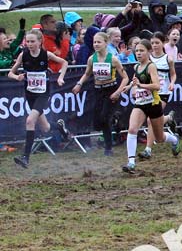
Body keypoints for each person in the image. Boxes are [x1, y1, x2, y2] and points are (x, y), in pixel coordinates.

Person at [8, 29, 68, 168]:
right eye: (27, 41)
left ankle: (25, 157)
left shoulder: (46, 54)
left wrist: (60, 77)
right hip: (30, 93)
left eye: (32, 41)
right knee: (46, 127)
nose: (29, 44)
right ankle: (59, 126)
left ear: (40, 42)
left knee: (30, 121)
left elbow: (64, 63)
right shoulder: (23, 55)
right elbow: (11, 73)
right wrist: (17, 77)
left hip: (43, 93)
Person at [122, 40, 181, 173]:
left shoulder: (151, 66)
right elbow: (136, 79)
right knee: (132, 129)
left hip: (153, 104)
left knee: (159, 138)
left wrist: (141, 86)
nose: (138, 53)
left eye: (141, 51)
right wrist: (130, 86)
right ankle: (131, 162)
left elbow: (157, 86)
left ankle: (174, 139)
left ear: (149, 52)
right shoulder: (137, 67)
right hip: (140, 103)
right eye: (136, 51)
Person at [72, 31, 129, 156]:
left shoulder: (113, 59)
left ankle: (108, 148)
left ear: (106, 43)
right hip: (98, 90)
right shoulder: (92, 59)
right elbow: (87, 74)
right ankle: (115, 118)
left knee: (104, 118)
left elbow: (125, 78)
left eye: (99, 42)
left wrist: (118, 92)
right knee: (97, 123)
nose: (96, 44)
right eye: (94, 42)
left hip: (111, 90)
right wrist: (79, 84)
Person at [139, 32, 178, 159]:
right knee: (158, 133)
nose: (155, 45)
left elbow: (173, 74)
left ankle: (148, 149)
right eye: (153, 43)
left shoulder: (168, 59)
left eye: (157, 43)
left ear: (163, 43)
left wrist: (172, 83)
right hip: (150, 92)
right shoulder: (148, 58)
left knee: (150, 120)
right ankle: (170, 127)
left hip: (163, 93)